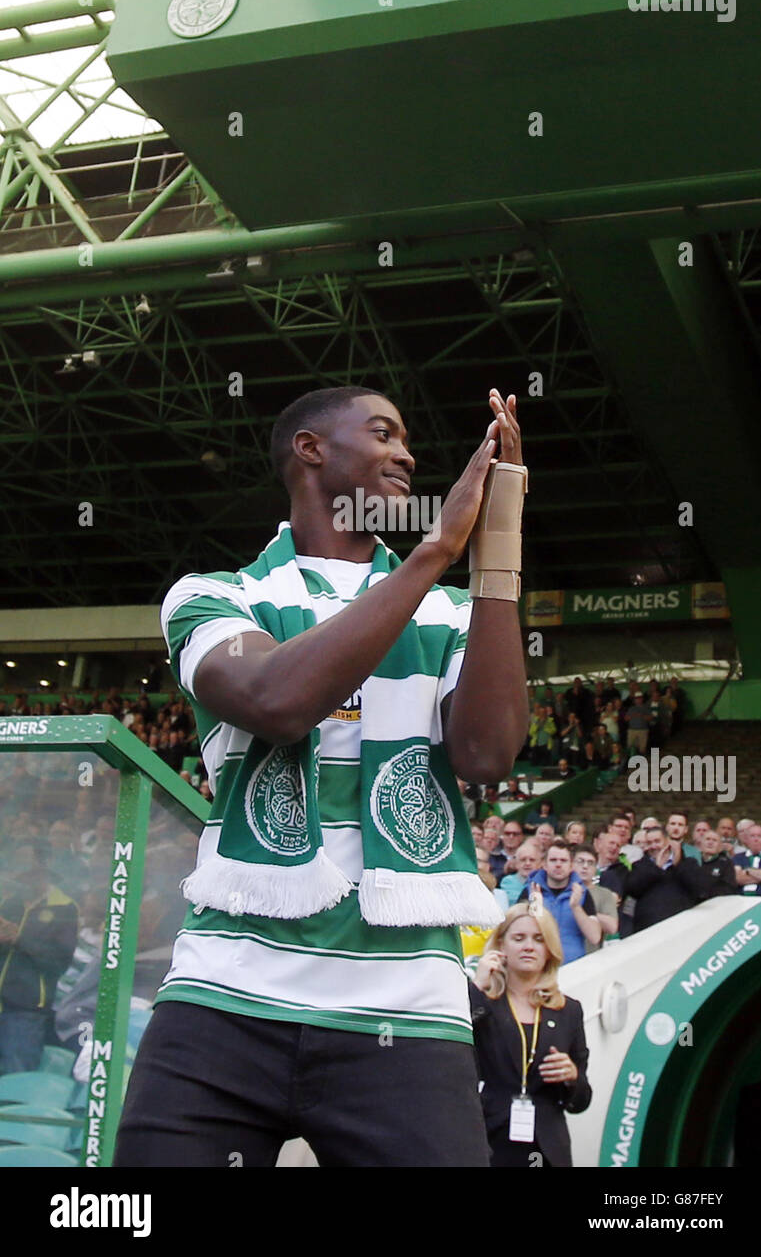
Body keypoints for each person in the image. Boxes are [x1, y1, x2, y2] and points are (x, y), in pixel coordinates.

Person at [114, 383, 530, 1168]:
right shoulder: (215, 596)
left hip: (406, 1012)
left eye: (405, 439)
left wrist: (494, 557)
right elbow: (277, 702)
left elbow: (486, 756)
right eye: (382, 433)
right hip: (225, 998)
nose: (407, 455)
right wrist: (434, 551)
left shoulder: (450, 614)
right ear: (310, 449)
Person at [470, 904, 591, 1167]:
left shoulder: (569, 1010)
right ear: (501, 946)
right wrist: (477, 986)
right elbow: (453, 1048)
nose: (528, 947)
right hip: (489, 1142)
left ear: (549, 949)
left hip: (548, 1149)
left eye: (538, 939)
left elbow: (581, 1101)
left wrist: (572, 1077)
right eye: (518, 938)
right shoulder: (482, 1002)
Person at [0, 840, 78, 1075]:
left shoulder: (64, 908)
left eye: (25, 863)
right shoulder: (9, 903)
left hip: (25, 1011)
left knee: (17, 1079)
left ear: (42, 866)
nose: (20, 871)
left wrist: (19, 938)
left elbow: (58, 962)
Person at [517, 840, 600, 963]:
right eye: (553, 860)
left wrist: (576, 907)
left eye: (563, 861)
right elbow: (518, 931)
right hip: (538, 965)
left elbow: (595, 937)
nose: (558, 865)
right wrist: (536, 907)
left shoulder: (581, 893)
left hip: (573, 966)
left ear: (571, 866)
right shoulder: (530, 891)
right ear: (544, 864)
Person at [625, 825, 701, 933]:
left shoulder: (687, 863)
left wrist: (678, 863)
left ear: (667, 841)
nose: (653, 846)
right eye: (649, 843)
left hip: (680, 927)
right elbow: (632, 889)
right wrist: (656, 868)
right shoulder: (640, 865)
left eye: (657, 841)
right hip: (649, 928)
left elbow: (699, 888)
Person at [572, 845, 618, 949]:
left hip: (592, 953)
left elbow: (612, 927)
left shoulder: (604, 894)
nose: (585, 866)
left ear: (595, 868)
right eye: (580, 861)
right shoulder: (562, 890)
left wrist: (587, 912)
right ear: (571, 864)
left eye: (590, 863)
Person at [689, 827, 737, 900]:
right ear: (701, 844)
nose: (710, 842)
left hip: (715, 902)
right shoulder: (692, 861)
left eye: (714, 840)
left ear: (720, 846)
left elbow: (728, 888)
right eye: (707, 839)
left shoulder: (726, 863)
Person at [733, 824, 761, 896]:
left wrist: (748, 871)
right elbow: (737, 878)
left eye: (759, 836)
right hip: (741, 898)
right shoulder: (738, 857)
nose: (756, 839)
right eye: (752, 836)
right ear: (746, 839)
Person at [500, 838, 543, 905]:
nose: (527, 863)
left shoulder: (544, 882)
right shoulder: (507, 882)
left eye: (532, 860)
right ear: (516, 863)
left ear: (540, 864)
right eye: (523, 860)